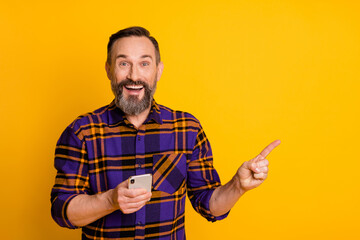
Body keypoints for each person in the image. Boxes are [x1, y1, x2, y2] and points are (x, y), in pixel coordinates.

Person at [50, 26, 280, 240]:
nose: (133, 75)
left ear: (158, 71)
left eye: (144, 64)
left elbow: (208, 204)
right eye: (123, 64)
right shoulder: (82, 132)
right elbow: (62, 210)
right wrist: (110, 200)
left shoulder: (187, 129)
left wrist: (238, 186)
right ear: (109, 70)